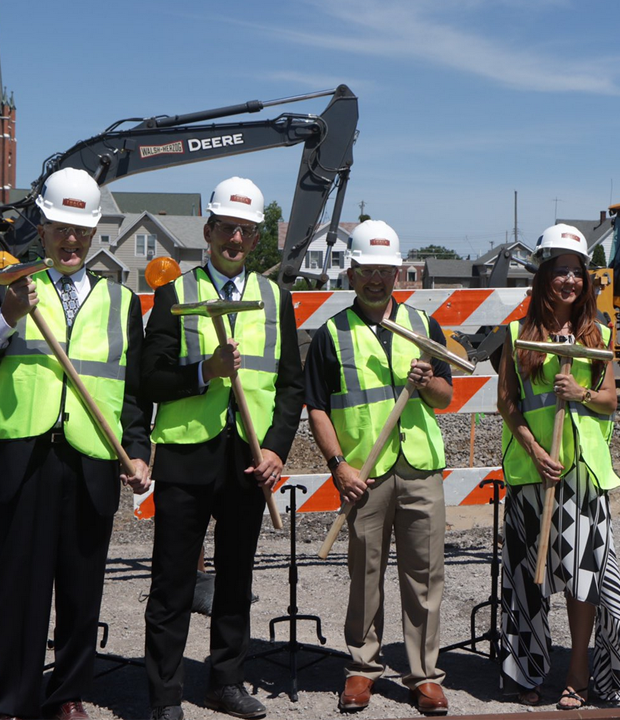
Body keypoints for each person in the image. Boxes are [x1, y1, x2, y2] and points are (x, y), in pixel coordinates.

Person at [0, 167, 151, 720]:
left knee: (81, 588)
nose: (71, 240)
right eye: (61, 227)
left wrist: (138, 451)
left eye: (81, 231)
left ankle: (67, 695)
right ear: (41, 227)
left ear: (94, 235)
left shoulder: (119, 302)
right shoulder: (1, 288)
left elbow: (132, 393)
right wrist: (8, 319)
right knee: (18, 588)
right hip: (21, 458)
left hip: (90, 458)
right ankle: (16, 699)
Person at [142, 177, 304, 720]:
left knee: (237, 576)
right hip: (188, 454)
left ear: (255, 238)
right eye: (226, 228)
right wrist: (204, 372)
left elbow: (290, 385)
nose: (235, 238)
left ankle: (224, 682)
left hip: (249, 459)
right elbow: (150, 380)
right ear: (208, 231)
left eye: (246, 230)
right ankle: (165, 694)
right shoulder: (175, 295)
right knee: (172, 579)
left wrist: (278, 448)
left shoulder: (276, 298)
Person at [304, 220, 452, 716]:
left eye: (385, 271)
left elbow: (446, 397)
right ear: (352, 274)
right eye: (368, 270)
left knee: (424, 575)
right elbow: (317, 407)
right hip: (363, 473)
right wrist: (337, 465)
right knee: (365, 573)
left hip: (419, 467)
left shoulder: (424, 326)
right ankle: (362, 668)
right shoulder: (331, 335)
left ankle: (424, 676)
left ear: (397, 274)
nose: (376, 280)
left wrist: (429, 380)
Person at [496, 224, 620, 710]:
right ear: (543, 279)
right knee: (529, 579)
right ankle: (529, 667)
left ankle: (578, 673)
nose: (569, 282)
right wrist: (535, 451)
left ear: (586, 280)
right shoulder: (517, 335)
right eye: (559, 272)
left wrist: (582, 394)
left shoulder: (597, 334)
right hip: (533, 475)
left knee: (582, 580)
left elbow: (611, 402)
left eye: (576, 273)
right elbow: (508, 403)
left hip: (581, 479)